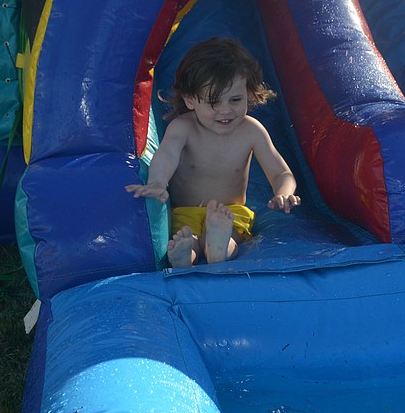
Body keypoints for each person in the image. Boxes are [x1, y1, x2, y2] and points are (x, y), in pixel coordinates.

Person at [126, 37, 300, 268]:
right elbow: (166, 155)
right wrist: (157, 182)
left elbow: (280, 173)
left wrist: (284, 193)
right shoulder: (183, 128)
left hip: (229, 214)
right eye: (213, 102)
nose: (225, 110)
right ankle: (186, 255)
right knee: (186, 239)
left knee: (226, 237)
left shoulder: (251, 131)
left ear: (248, 93)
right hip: (184, 212)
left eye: (235, 99)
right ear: (189, 100)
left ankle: (218, 246)